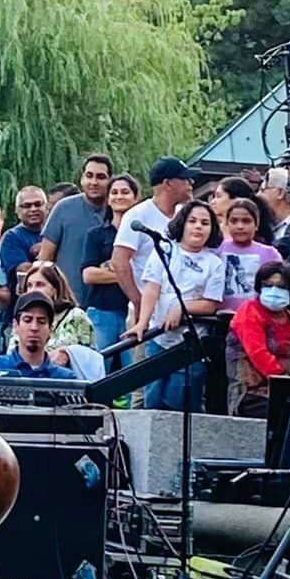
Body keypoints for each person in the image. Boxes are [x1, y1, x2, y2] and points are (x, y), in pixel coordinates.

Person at [134, 198, 226, 410]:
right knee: (153, 400)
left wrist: (181, 310)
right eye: (192, 221)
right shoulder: (164, 251)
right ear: (182, 223)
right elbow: (152, 288)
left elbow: (211, 304)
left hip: (191, 342)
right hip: (158, 339)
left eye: (205, 223)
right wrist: (142, 323)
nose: (198, 227)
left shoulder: (214, 264)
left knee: (179, 402)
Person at [110, 158, 196, 329]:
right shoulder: (138, 215)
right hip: (149, 315)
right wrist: (137, 300)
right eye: (185, 179)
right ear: (168, 183)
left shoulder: (185, 214)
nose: (191, 183)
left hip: (182, 310)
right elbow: (119, 261)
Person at [226, 264, 290, 419]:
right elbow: (258, 353)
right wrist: (284, 382)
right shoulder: (249, 311)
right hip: (253, 393)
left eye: (281, 287)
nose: (274, 291)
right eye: (268, 285)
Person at [0, 291, 106, 383]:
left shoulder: (66, 378)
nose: (34, 327)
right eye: (27, 320)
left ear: (50, 329)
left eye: (41, 321)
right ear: (16, 326)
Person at [37, 155, 113, 303]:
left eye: (101, 177)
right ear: (82, 178)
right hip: (68, 302)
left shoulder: (118, 212)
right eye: (89, 176)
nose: (94, 182)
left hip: (107, 306)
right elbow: (45, 258)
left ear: (110, 180)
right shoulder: (63, 208)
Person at [79, 173, 139, 359]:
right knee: (99, 366)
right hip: (103, 311)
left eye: (125, 192)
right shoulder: (96, 234)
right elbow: (88, 275)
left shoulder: (143, 234)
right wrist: (128, 272)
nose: (119, 196)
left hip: (137, 311)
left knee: (133, 372)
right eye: (114, 192)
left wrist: (111, 269)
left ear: (135, 197)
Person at [217, 197, 283, 312]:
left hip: (257, 317)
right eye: (234, 221)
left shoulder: (270, 253)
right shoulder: (217, 250)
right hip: (220, 317)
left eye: (246, 221)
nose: (240, 226)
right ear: (227, 223)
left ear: (256, 224)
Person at [13, 262, 94, 356]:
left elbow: (90, 357)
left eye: (40, 285)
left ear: (55, 289)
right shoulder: (22, 316)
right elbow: (11, 354)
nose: (33, 290)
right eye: (29, 285)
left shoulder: (76, 316)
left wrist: (67, 354)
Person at [0, 185, 50, 307]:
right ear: (17, 211)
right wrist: (49, 250)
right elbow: (26, 272)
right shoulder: (12, 237)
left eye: (38, 204)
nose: (33, 209)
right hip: (23, 309)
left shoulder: (54, 232)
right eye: (27, 206)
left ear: (46, 207)